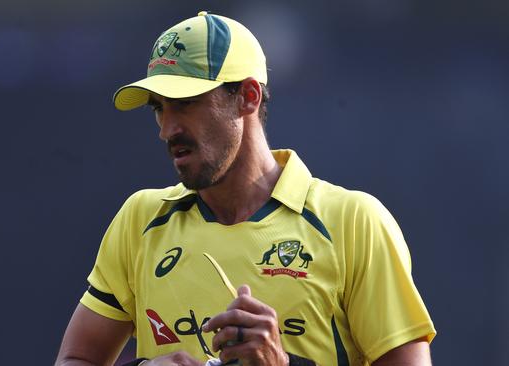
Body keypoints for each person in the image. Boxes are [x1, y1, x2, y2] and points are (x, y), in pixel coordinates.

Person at [55, 11, 436, 366]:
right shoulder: (141, 219)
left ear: (248, 97)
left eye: (186, 103)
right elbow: (76, 358)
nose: (167, 129)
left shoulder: (353, 221)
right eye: (158, 108)